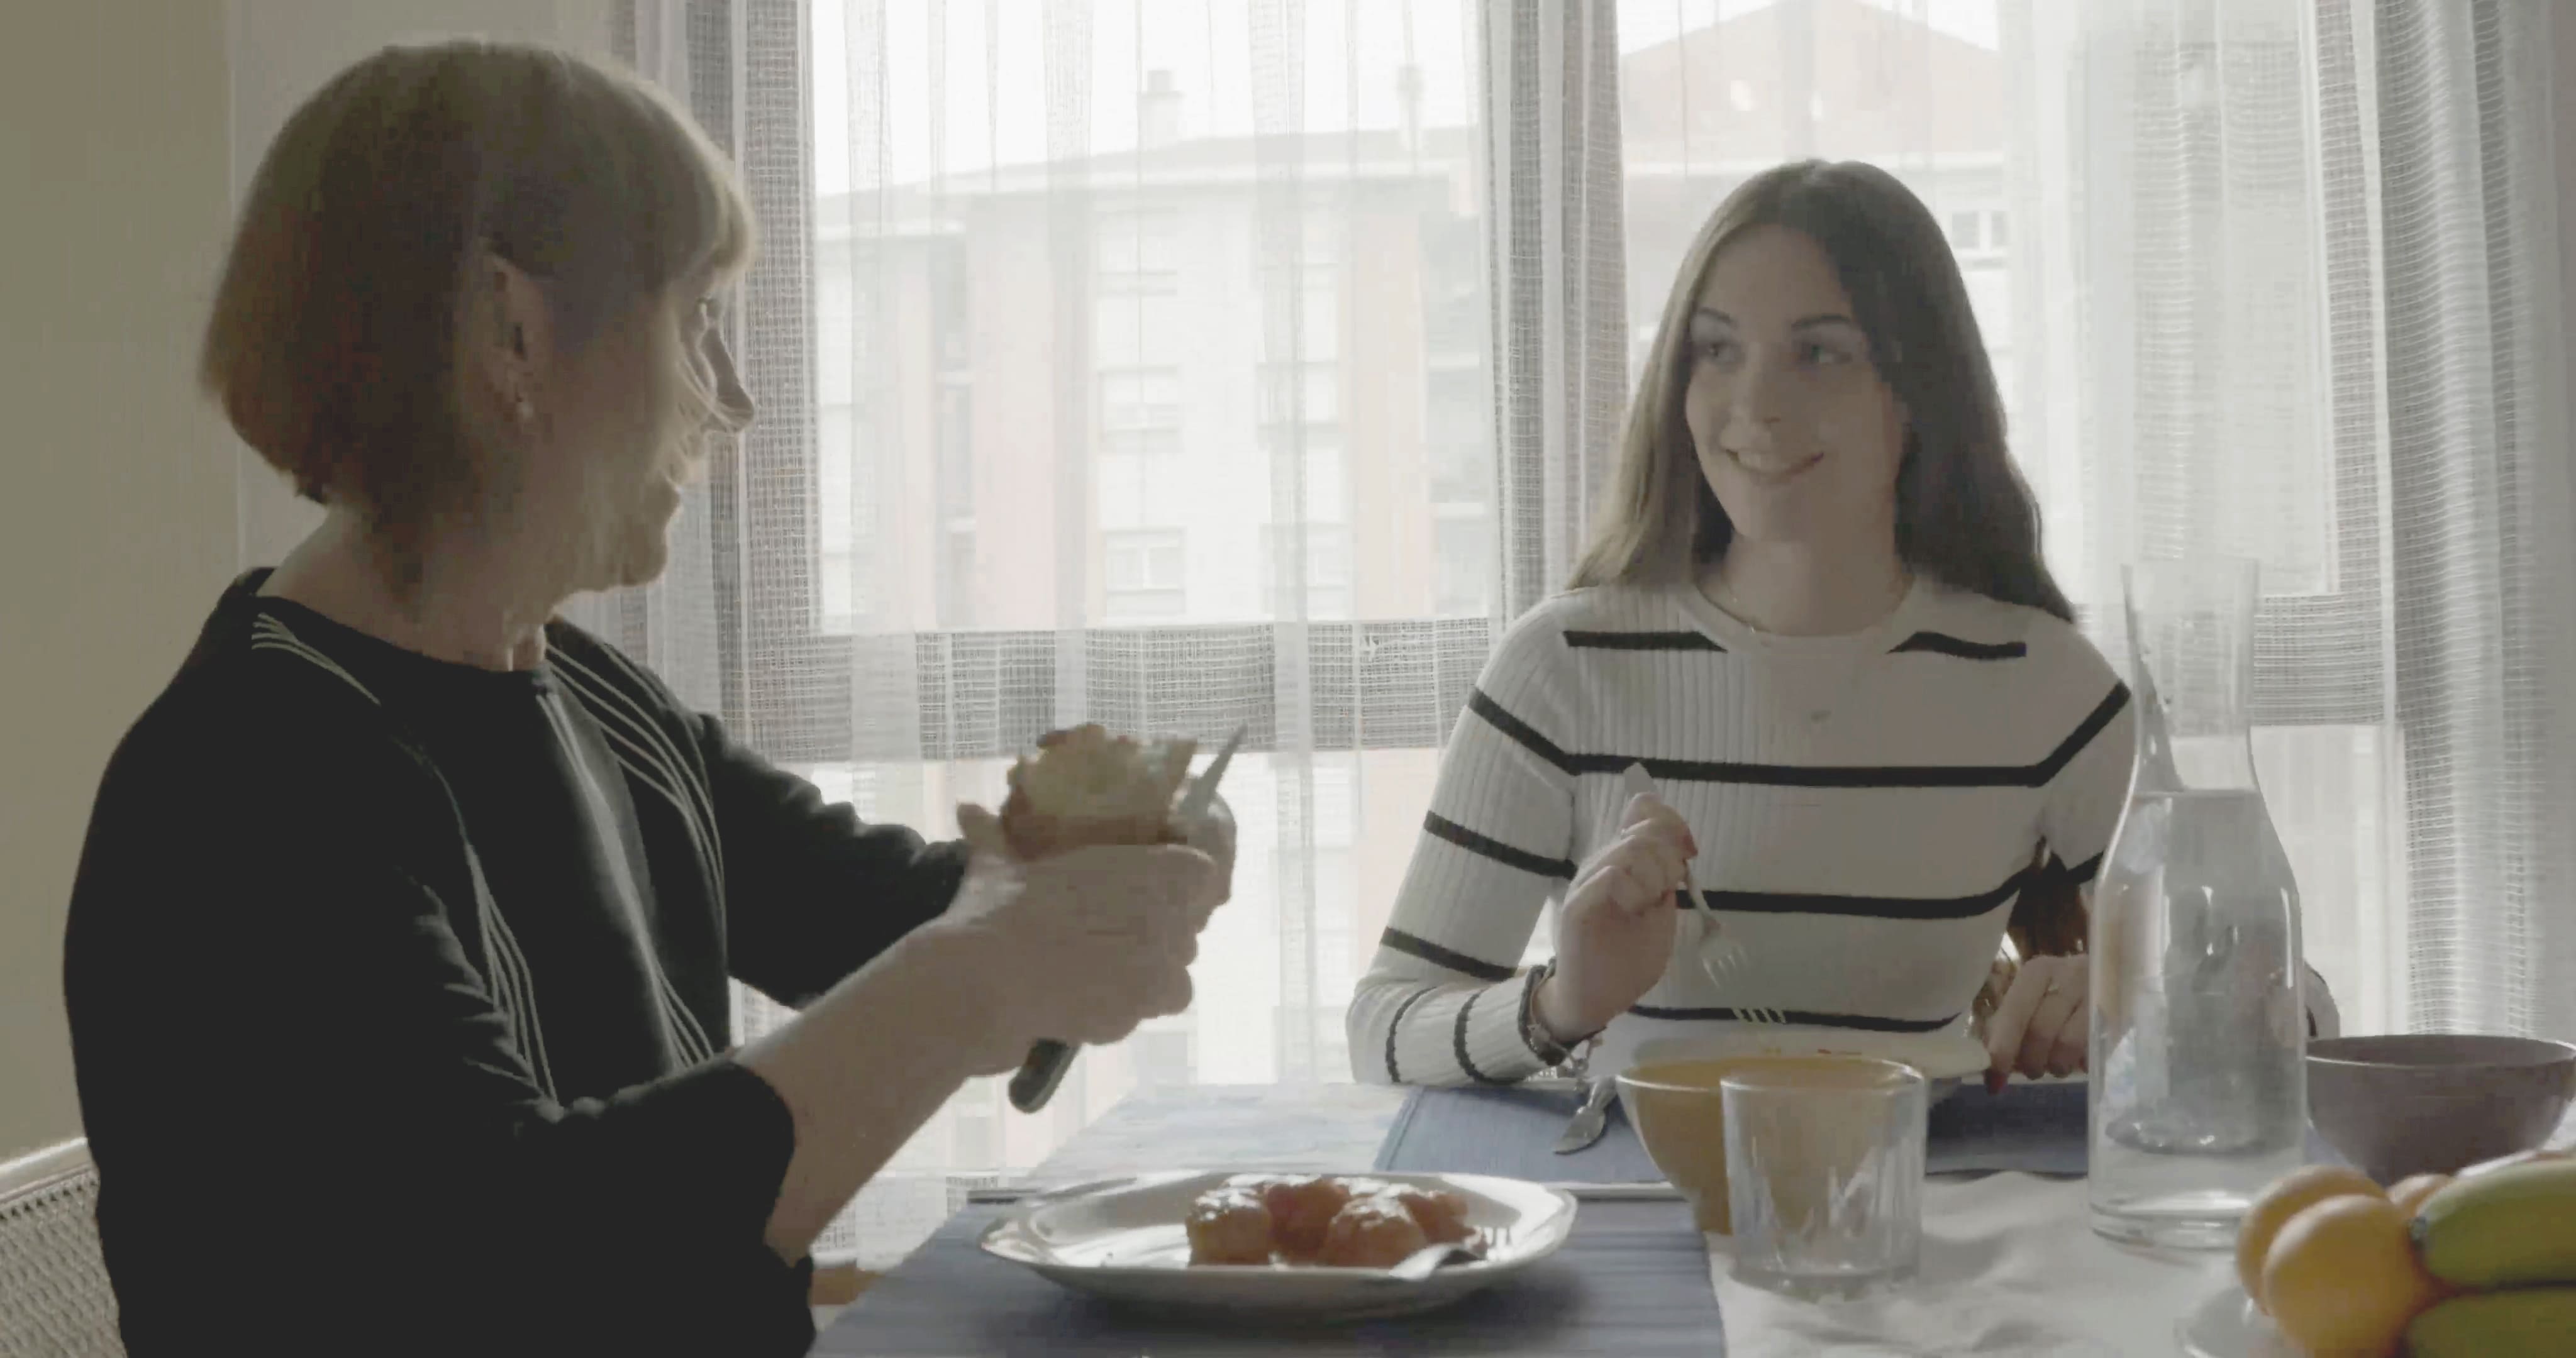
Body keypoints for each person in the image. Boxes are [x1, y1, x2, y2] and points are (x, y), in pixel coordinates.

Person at [61, 40, 1229, 1357]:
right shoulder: (247, 778)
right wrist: (985, 975)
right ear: (511, 331)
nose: (729, 400)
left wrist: (1119, 869)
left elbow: (906, 921)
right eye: (695, 320)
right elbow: (530, 1260)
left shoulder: (592, 700)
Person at [1347, 159, 2336, 1089]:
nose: (1755, 404)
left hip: (1926, 1229)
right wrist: (1565, 1002)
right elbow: (1384, 1029)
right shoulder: (1563, 667)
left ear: (1921, 393)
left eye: (1820, 353)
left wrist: (2146, 1001)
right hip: (1636, 1221)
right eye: (1717, 350)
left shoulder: (2041, 684)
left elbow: (2310, 1015)